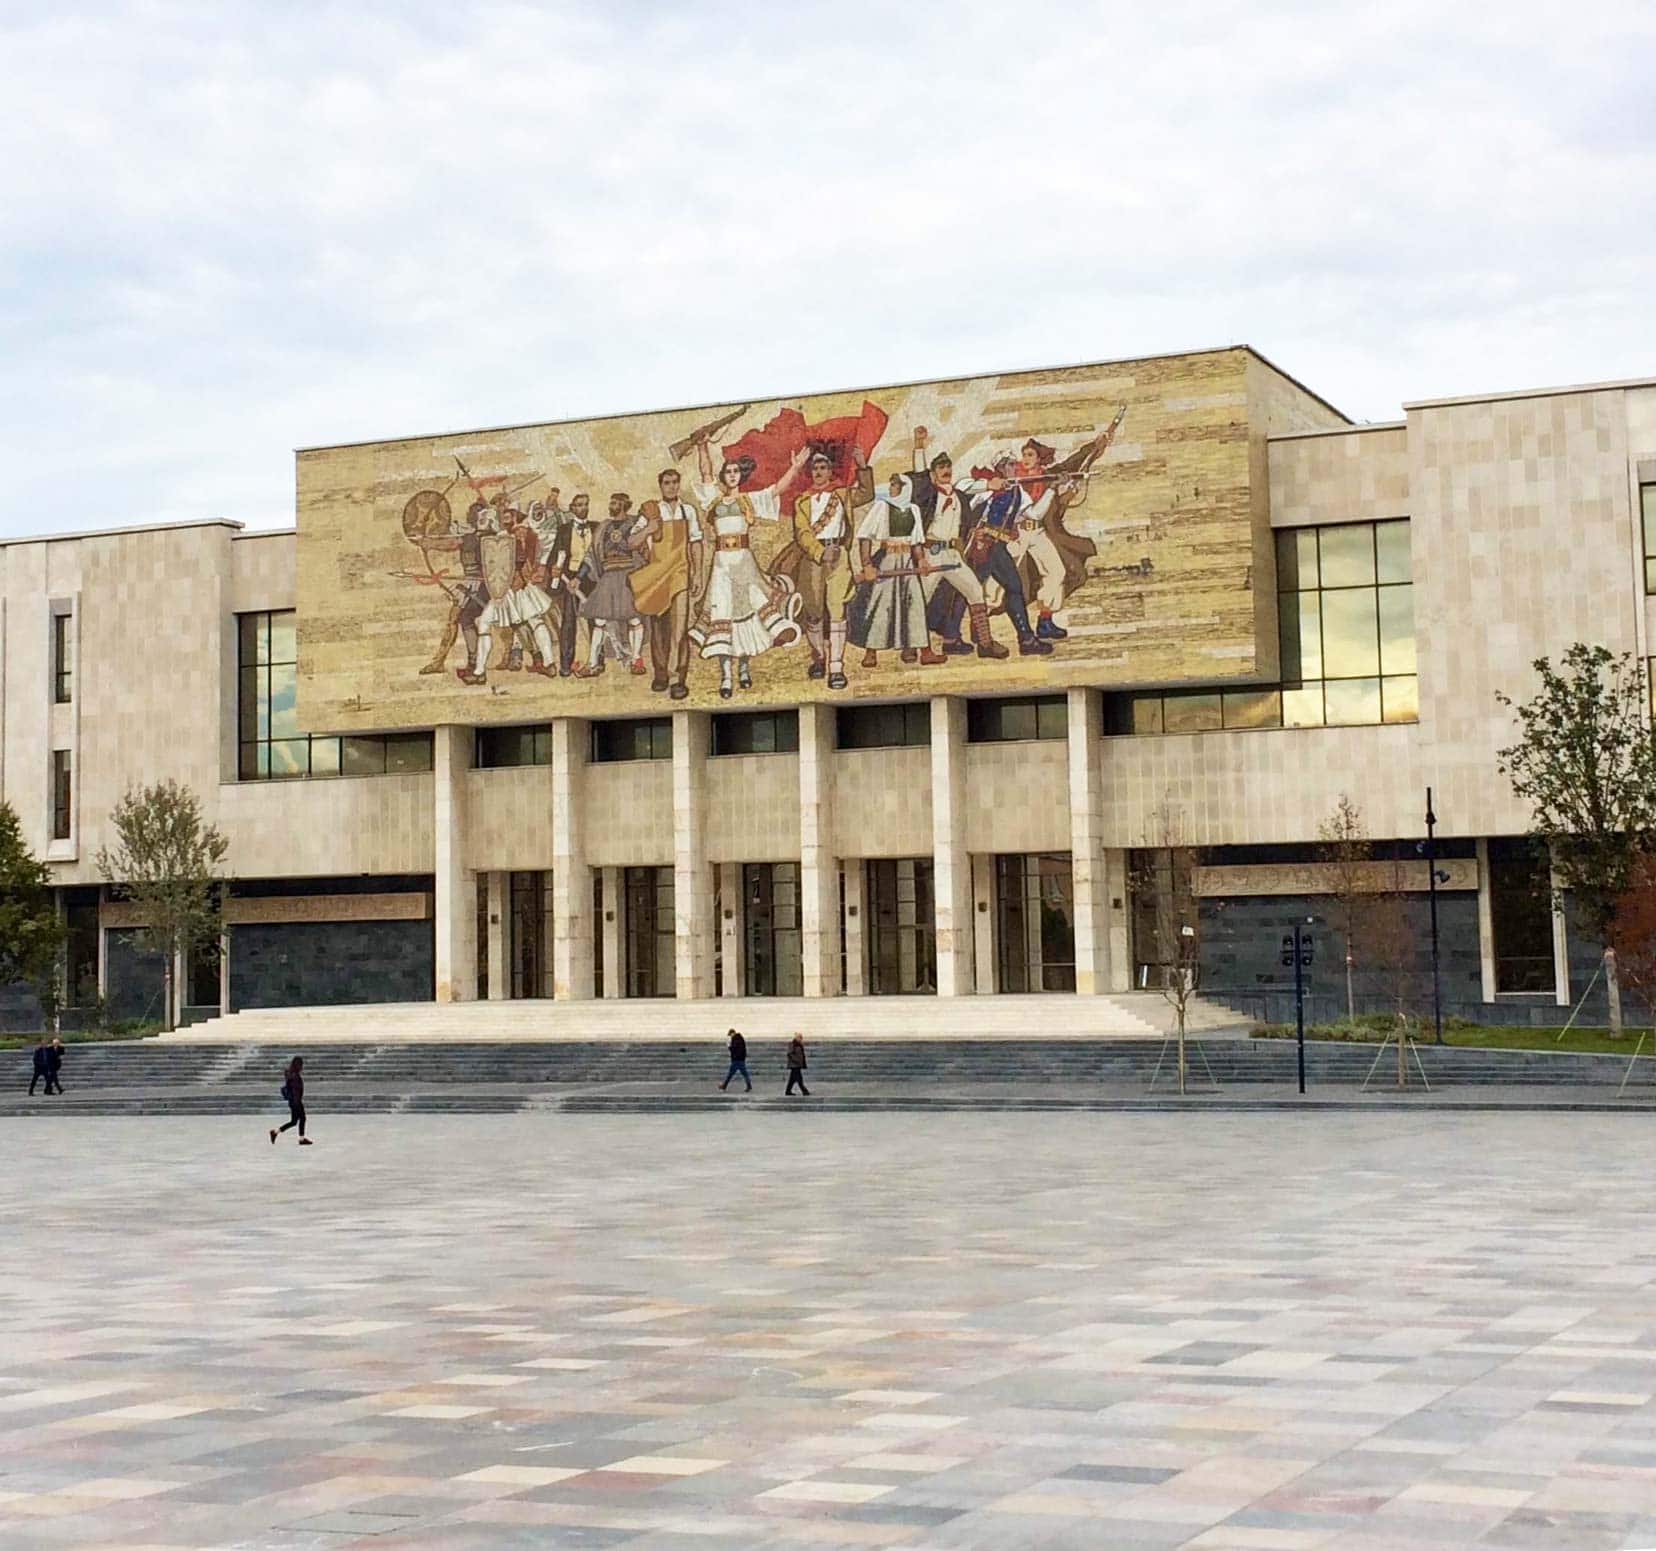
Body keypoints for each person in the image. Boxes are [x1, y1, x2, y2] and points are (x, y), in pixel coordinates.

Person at [688, 441, 807, 698]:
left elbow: (776, 490)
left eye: (735, 471)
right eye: (728, 472)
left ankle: (743, 668)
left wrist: (795, 468)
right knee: (724, 614)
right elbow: (705, 473)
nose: (732, 475)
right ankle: (726, 677)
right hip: (721, 565)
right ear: (724, 476)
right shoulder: (714, 500)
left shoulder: (749, 500)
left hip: (744, 562)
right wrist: (701, 447)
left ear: (741, 475)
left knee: (749, 611)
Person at [769, 447, 874, 689]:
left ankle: (836, 667)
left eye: (823, 467)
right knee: (814, 611)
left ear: (830, 471)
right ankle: (818, 657)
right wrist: (818, 552)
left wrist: (862, 464)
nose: (818, 472)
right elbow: (802, 532)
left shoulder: (842, 494)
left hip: (839, 555)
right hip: (813, 559)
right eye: (815, 468)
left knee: (837, 610)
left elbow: (867, 494)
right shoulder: (802, 501)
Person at [910, 428, 1006, 659]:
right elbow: (920, 473)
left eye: (948, 468)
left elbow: (975, 486)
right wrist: (919, 445)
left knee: (975, 592)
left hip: (953, 556)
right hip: (931, 553)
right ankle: (912, 647)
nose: (946, 471)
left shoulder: (959, 493)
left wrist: (991, 485)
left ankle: (985, 644)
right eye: (941, 468)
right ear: (933, 474)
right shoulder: (928, 494)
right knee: (919, 600)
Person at [846, 474, 943, 668]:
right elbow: (865, 537)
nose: (891, 488)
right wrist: (867, 565)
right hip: (887, 560)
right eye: (891, 484)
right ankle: (871, 652)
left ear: (905, 488)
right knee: (880, 604)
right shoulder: (882, 508)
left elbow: (916, 541)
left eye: (895, 485)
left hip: (908, 562)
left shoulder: (913, 510)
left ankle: (924, 651)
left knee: (914, 604)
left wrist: (922, 560)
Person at [631, 468, 707, 699]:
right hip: (657, 576)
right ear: (661, 485)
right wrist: (648, 529)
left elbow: (695, 543)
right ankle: (661, 673)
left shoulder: (688, 511)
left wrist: (698, 574)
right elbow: (632, 542)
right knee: (658, 630)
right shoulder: (651, 511)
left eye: (675, 482)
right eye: (667, 483)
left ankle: (677, 678)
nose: (672, 486)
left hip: (680, 574)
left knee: (680, 629)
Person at [574, 494, 647, 677]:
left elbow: (644, 550)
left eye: (615, 502)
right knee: (599, 621)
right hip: (607, 578)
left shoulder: (634, 525)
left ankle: (636, 659)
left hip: (629, 576)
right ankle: (592, 663)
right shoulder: (603, 527)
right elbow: (591, 555)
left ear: (624, 505)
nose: (611, 505)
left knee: (634, 620)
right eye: (611, 502)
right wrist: (579, 577)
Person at [270, 1056, 312, 1145]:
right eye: (301, 1064)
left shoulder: (291, 1074)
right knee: (302, 1118)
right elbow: (296, 1090)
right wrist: (298, 1102)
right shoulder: (295, 1076)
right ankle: (301, 1139)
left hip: (293, 1101)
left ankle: (275, 1132)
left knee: (294, 1121)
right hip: (296, 1101)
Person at [719, 1027, 751, 1092]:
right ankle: (749, 1086)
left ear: (732, 1033)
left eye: (730, 1035)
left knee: (730, 1074)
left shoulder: (735, 1039)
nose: (730, 1036)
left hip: (736, 1060)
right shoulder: (740, 1038)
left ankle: (724, 1086)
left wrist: (729, 1046)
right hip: (741, 1059)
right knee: (744, 1074)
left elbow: (733, 1049)